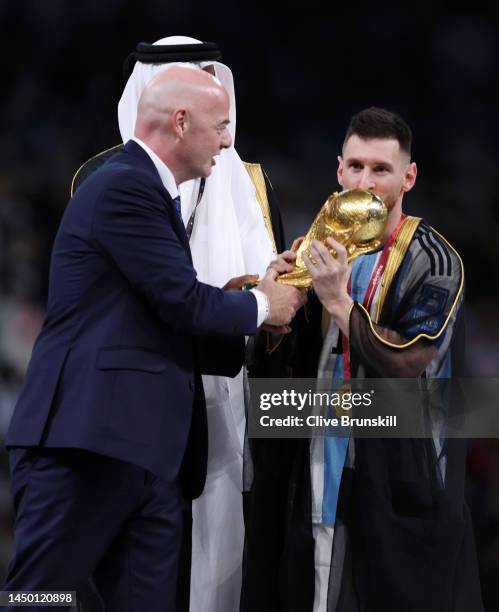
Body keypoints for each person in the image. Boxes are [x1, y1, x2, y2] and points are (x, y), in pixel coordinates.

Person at [3, 67, 305, 612]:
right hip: (85, 444)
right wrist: (262, 305)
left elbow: (160, 316)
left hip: (148, 456)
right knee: (41, 598)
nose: (229, 140)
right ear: (181, 122)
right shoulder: (123, 185)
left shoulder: (150, 195)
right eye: (221, 125)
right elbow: (180, 300)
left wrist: (250, 300)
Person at [71, 35, 287, 612]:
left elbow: (257, 280)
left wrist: (273, 292)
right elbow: (169, 298)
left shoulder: (247, 181)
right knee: (54, 586)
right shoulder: (110, 178)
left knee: (173, 572)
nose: (226, 135)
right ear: (174, 110)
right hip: (120, 413)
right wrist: (257, 305)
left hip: (205, 411)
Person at [242, 107, 483, 611]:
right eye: (355, 166)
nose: (365, 181)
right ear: (338, 171)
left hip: (400, 478)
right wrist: (276, 300)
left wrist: (337, 302)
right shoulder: (318, 248)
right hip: (315, 468)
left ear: (408, 177)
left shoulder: (435, 259)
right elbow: (275, 360)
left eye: (380, 169)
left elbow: (408, 362)